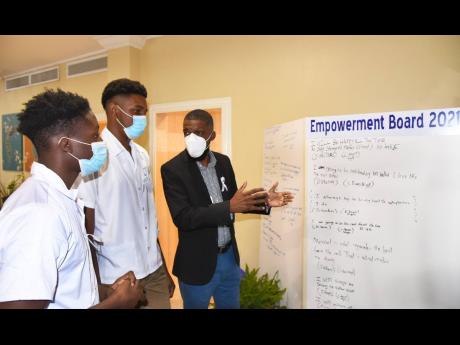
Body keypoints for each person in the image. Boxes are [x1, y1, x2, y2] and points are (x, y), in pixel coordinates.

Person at [0, 89, 144, 309]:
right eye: (94, 136)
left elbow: (68, 288)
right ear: (66, 145)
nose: (100, 143)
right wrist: (117, 304)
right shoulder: (38, 214)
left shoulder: (64, 198)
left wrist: (106, 292)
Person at [161, 109, 293, 309]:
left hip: (229, 259)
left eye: (198, 133)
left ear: (211, 135)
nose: (191, 138)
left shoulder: (223, 162)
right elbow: (183, 217)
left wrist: (265, 201)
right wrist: (228, 206)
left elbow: (235, 201)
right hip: (197, 263)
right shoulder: (172, 169)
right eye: (186, 132)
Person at [77, 79, 175, 309]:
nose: (143, 118)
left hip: (154, 270)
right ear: (114, 110)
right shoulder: (95, 158)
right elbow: (86, 230)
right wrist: (96, 284)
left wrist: (165, 269)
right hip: (119, 278)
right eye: (136, 111)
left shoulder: (142, 155)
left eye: (145, 112)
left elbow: (147, 218)